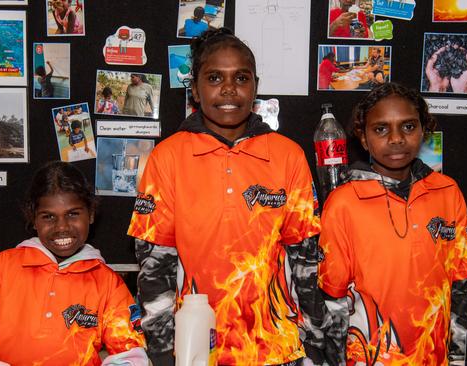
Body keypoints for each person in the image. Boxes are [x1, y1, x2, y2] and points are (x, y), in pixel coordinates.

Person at [127, 28, 335, 366]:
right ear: (194, 88)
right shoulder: (167, 157)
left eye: (241, 78)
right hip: (195, 347)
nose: (228, 89)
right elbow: (154, 264)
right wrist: (163, 349)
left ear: (255, 86)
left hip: (277, 347)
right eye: (214, 78)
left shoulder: (288, 155)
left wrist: (314, 339)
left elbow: (306, 260)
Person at [318, 82, 467, 364]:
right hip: (371, 357)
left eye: (408, 127)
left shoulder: (446, 191)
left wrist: (460, 358)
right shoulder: (343, 202)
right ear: (363, 137)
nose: (396, 139)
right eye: (381, 129)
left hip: (435, 357)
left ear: (423, 130)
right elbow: (333, 300)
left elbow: (465, 283)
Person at [0, 161, 148, 365]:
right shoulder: (1, 268)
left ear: (91, 215)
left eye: (73, 214)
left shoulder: (108, 283)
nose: (62, 227)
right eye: (48, 217)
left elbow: (131, 356)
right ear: (33, 219)